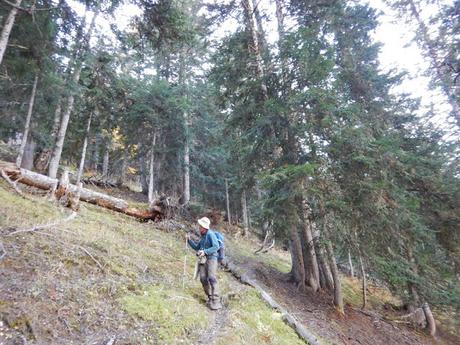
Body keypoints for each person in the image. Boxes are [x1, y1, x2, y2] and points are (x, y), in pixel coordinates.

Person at [187, 217, 222, 310]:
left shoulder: (210, 234)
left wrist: (205, 251)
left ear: (204, 227)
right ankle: (210, 296)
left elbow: (216, 246)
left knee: (211, 278)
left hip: (212, 259)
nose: (199, 227)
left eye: (200, 226)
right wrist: (189, 240)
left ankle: (216, 301)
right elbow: (197, 247)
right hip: (203, 259)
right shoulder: (202, 236)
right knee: (203, 278)